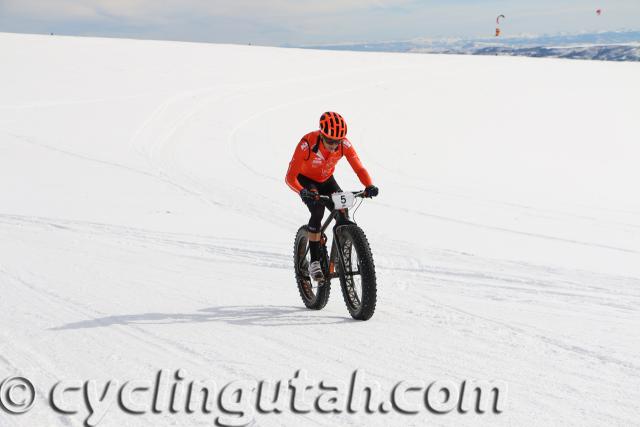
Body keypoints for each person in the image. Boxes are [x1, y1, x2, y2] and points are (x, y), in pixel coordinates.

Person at [285, 112, 379, 280]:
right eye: (329, 141)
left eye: (337, 142)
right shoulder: (307, 143)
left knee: (342, 211)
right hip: (306, 181)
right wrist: (302, 191)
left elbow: (359, 168)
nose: (333, 146)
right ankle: (314, 261)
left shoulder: (345, 144)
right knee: (318, 210)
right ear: (321, 135)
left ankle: (341, 253)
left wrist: (369, 185)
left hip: (327, 180)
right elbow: (290, 177)